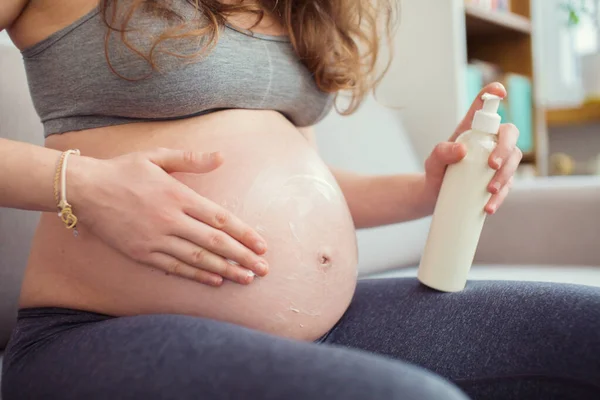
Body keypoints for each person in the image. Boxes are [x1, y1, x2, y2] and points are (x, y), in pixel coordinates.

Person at [1, 1, 599, 399]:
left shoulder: (298, 9)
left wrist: (426, 191)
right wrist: (78, 182)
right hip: (95, 333)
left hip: (325, 326)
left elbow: (303, 181)